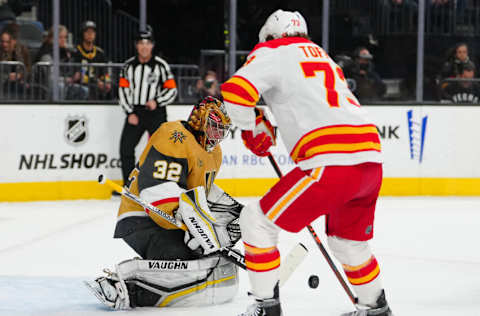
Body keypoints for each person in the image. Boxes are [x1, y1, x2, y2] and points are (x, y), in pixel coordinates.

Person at [220, 10, 393, 316]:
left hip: (330, 162)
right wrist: (260, 119)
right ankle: (375, 308)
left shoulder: (271, 51)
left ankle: (265, 308)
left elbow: (235, 93)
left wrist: (250, 125)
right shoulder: (322, 56)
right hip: (369, 160)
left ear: (269, 37)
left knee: (256, 222)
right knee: (347, 243)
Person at [85, 96, 243, 309]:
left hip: (176, 219)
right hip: (141, 216)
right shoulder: (174, 135)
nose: (218, 135)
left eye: (222, 130)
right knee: (180, 259)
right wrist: (195, 230)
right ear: (200, 121)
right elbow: (157, 190)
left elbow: (204, 195)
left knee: (204, 260)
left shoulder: (214, 153)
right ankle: (121, 286)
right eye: (214, 128)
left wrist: (228, 221)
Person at [118, 30, 177, 189]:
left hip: (156, 112)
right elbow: (123, 90)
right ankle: (129, 185)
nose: (144, 47)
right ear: (136, 46)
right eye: (141, 43)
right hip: (136, 112)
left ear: (152, 46)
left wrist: (157, 101)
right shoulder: (128, 66)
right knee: (126, 148)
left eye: (147, 43)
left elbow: (172, 90)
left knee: (162, 149)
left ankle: (161, 185)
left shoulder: (161, 65)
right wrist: (129, 112)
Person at [71, 20, 111, 99]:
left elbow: (105, 71)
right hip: (83, 83)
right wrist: (96, 82)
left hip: (99, 83)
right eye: (87, 32)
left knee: (113, 88)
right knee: (91, 89)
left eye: (92, 32)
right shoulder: (76, 52)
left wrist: (106, 82)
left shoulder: (100, 53)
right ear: (82, 34)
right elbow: (77, 74)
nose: (90, 34)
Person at [0, 25, 30, 99]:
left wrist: (20, 75)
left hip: (19, 83)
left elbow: (28, 68)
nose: (4, 45)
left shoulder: (22, 51)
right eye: (2, 42)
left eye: (8, 42)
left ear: (14, 41)